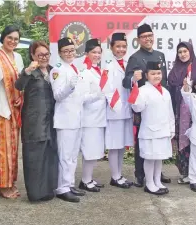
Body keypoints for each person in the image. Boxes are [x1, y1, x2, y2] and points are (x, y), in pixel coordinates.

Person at [123, 24, 171, 187]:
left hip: (159, 103)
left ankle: (157, 174)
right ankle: (140, 174)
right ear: (138, 40)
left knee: (158, 141)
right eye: (144, 36)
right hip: (143, 105)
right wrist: (133, 79)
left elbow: (163, 81)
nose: (148, 39)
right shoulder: (135, 58)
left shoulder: (160, 55)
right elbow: (126, 82)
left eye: (150, 35)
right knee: (144, 140)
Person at [16, 40, 59, 202]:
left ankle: (48, 190)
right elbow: (18, 85)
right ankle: (35, 193)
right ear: (33, 55)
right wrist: (27, 71)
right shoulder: (29, 72)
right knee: (34, 157)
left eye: (46, 54)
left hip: (51, 120)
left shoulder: (54, 70)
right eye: (40, 55)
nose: (44, 57)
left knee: (49, 155)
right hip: (34, 121)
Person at [0, 25, 25, 199]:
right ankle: (3, 186)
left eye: (16, 39)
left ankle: (11, 181)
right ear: (3, 38)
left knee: (13, 149)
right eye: (9, 37)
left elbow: (22, 81)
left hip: (15, 108)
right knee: (2, 149)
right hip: (2, 109)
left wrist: (21, 97)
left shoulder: (18, 57)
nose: (12, 41)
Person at [129, 61, 175, 195]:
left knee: (159, 157)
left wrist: (171, 128)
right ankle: (149, 182)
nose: (156, 76)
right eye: (153, 73)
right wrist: (135, 88)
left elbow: (170, 112)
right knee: (150, 157)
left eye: (159, 73)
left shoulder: (165, 92)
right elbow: (136, 107)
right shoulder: (143, 91)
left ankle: (157, 180)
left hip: (163, 130)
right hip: (150, 131)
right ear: (146, 75)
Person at [51, 37, 87, 203]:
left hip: (77, 118)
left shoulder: (74, 68)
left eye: (72, 50)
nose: (69, 53)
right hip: (65, 120)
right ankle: (62, 188)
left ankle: (69, 184)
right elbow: (57, 96)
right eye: (66, 51)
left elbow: (79, 96)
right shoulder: (57, 70)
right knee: (65, 155)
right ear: (59, 53)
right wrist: (69, 87)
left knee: (73, 155)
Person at [167, 42, 196, 184]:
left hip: (191, 113)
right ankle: (184, 172)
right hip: (177, 111)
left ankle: (192, 172)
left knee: (191, 141)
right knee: (180, 140)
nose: (182, 54)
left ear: (191, 52)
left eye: (185, 51)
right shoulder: (175, 68)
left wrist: (188, 88)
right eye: (180, 52)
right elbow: (170, 86)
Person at [103, 33, 135, 189]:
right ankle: (115, 176)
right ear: (111, 48)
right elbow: (106, 88)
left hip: (126, 109)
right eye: (118, 46)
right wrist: (116, 106)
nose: (121, 49)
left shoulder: (128, 63)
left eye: (124, 46)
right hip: (115, 110)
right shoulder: (108, 64)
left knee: (122, 144)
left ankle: (119, 174)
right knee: (114, 145)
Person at [78, 38, 108, 192]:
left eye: (99, 52)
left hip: (100, 117)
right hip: (89, 119)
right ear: (87, 53)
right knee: (89, 151)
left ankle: (89, 178)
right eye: (93, 52)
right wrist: (98, 94)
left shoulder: (100, 71)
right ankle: (85, 180)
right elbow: (81, 98)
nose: (96, 55)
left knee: (95, 151)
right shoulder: (84, 72)